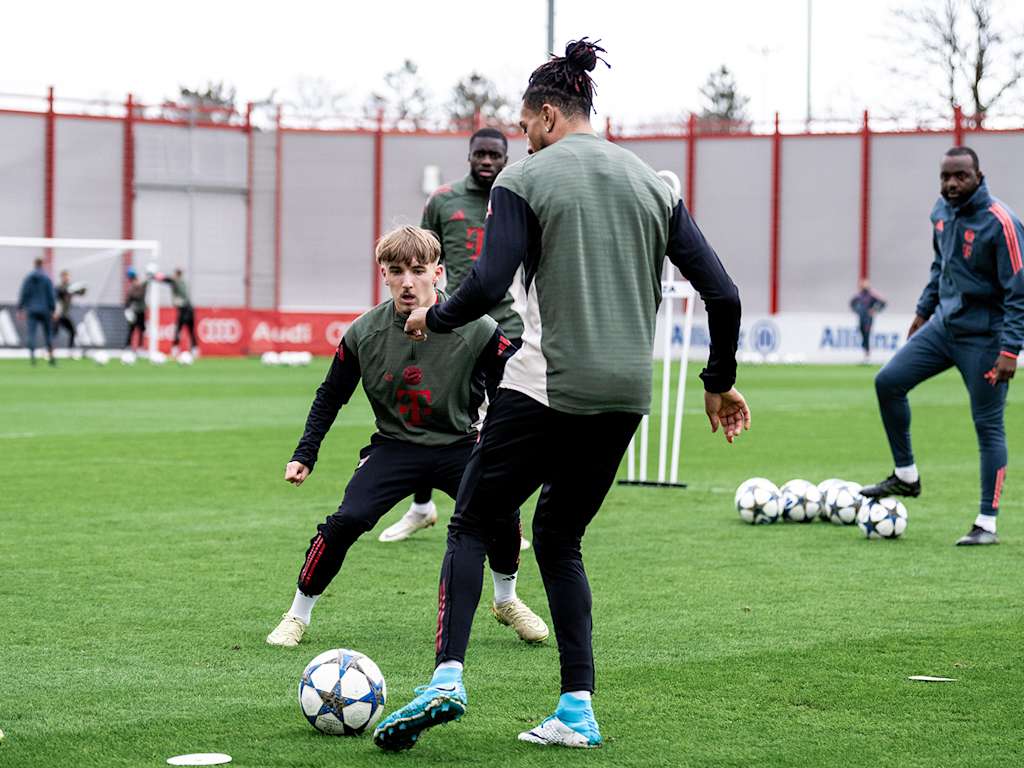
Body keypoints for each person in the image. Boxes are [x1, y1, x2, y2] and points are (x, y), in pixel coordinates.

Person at [375, 39, 747, 752]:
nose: (521, 138)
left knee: (472, 523)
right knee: (558, 536)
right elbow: (724, 295)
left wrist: (433, 316)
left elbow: (485, 286)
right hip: (627, 395)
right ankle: (577, 708)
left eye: (523, 126)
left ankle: (447, 677)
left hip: (546, 383)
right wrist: (718, 382)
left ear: (547, 116)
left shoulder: (527, 178)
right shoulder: (653, 182)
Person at [265, 225, 548, 649]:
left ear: (437, 272)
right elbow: (330, 396)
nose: (407, 281)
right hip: (395, 446)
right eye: (396, 270)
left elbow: (511, 382)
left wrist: (505, 441)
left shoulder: (477, 329)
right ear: (383, 273)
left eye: (418, 270)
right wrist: (306, 452)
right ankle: (296, 614)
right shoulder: (364, 332)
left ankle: (506, 599)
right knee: (346, 521)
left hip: (460, 443)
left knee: (501, 509)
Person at [862, 146, 1023, 547]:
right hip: (943, 328)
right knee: (888, 382)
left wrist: (1011, 349)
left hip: (985, 339)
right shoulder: (941, 211)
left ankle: (986, 522)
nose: (951, 184)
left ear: (978, 176)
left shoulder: (1000, 223)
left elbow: (1018, 292)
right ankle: (906, 476)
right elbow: (941, 266)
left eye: (960, 176)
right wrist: (922, 312)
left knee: (988, 427)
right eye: (945, 177)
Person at [380, 127, 522, 545]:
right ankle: (422, 508)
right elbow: (418, 254)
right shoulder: (443, 200)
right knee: (430, 408)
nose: (487, 161)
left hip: (505, 322)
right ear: (469, 155)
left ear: (505, 158)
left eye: (495, 155)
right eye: (480, 153)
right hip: (447, 320)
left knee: (507, 419)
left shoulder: (517, 197)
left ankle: (502, 513)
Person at [17, 258, 56, 366]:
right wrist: (53, 309)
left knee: (31, 334)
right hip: (45, 310)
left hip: (32, 310)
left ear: (34, 264)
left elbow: (24, 293)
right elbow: (51, 295)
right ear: (42, 264)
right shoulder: (47, 278)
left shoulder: (28, 278)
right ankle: (51, 358)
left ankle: (33, 358)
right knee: (48, 334)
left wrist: (20, 308)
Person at [162, 268, 197, 357]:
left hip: (185, 309)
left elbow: (167, 279)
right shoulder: (182, 282)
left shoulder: (177, 282)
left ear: (177, 275)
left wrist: (156, 276)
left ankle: (176, 349)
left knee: (180, 330)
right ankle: (194, 350)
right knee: (190, 331)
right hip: (189, 309)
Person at [850, 278, 886, 362]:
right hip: (861, 318)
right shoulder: (859, 295)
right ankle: (865, 351)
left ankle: (867, 355)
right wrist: (857, 310)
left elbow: (883, 302)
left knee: (866, 335)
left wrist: (875, 310)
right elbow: (852, 303)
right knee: (862, 334)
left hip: (868, 319)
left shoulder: (872, 295)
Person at [53, 270, 86, 356]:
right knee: (53, 332)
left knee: (72, 331)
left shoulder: (70, 287)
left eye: (67, 276)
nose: (66, 278)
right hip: (58, 313)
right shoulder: (59, 287)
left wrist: (82, 289)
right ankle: (48, 350)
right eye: (65, 276)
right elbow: (60, 293)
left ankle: (70, 351)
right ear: (62, 278)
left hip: (65, 314)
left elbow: (81, 293)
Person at [124, 268, 147, 351]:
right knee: (132, 328)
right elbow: (129, 299)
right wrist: (127, 308)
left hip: (139, 310)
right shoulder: (135, 285)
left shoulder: (138, 284)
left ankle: (139, 346)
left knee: (140, 328)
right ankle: (128, 345)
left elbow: (138, 295)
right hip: (134, 310)